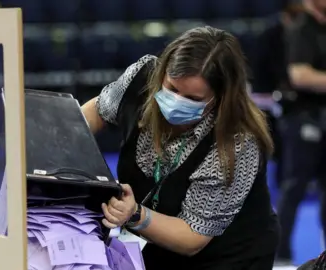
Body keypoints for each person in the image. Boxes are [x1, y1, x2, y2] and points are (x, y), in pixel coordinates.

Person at [81, 26, 279, 269]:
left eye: (194, 99)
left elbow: (192, 237)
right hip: (161, 241)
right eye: (172, 88)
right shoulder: (143, 77)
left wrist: (135, 214)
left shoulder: (236, 144)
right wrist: (63, 138)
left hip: (228, 256)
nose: (177, 101)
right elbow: (98, 110)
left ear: (220, 97)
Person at [276, 0, 326, 264]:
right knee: (294, 187)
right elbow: (300, 75)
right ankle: (281, 255)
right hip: (303, 120)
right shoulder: (301, 29)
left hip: (324, 118)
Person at [251, 2, 304, 189]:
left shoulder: (306, 36)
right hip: (267, 101)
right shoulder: (269, 37)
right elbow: (261, 80)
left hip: (296, 103)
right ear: (287, 17)